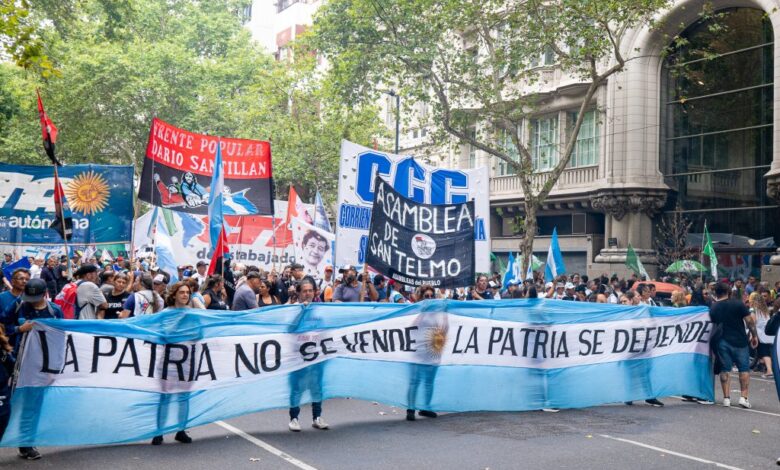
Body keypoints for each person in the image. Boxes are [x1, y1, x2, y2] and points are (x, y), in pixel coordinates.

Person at [150, 281, 194, 445]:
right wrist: (182, 326)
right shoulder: (167, 313)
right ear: (174, 294)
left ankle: (181, 430)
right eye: (181, 292)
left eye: (187, 293)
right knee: (165, 397)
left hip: (187, 360)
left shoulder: (193, 313)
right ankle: (159, 432)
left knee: (184, 397)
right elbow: (165, 334)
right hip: (168, 360)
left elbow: (198, 334)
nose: (185, 295)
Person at [288, 277, 329, 432]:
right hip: (298, 357)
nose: (308, 293)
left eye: (310, 290)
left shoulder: (320, 310)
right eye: (304, 291)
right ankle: (294, 418)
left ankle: (317, 417)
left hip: (316, 356)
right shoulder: (292, 309)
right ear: (299, 293)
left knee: (317, 387)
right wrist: (301, 312)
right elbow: (290, 329)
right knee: (297, 388)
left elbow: (325, 330)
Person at [710, 282, 758, 408]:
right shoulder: (738, 304)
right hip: (740, 341)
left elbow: (713, 324)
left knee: (725, 369)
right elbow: (749, 322)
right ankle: (743, 397)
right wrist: (754, 336)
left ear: (716, 293)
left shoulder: (714, 307)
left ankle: (726, 398)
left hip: (722, 341)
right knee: (744, 369)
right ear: (729, 292)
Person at [749, 292, 773, 379]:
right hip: (767, 334)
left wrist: (752, 335)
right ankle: (766, 367)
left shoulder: (754, 310)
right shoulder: (765, 310)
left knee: (764, 352)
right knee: (766, 352)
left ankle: (769, 370)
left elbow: (753, 322)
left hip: (760, 334)